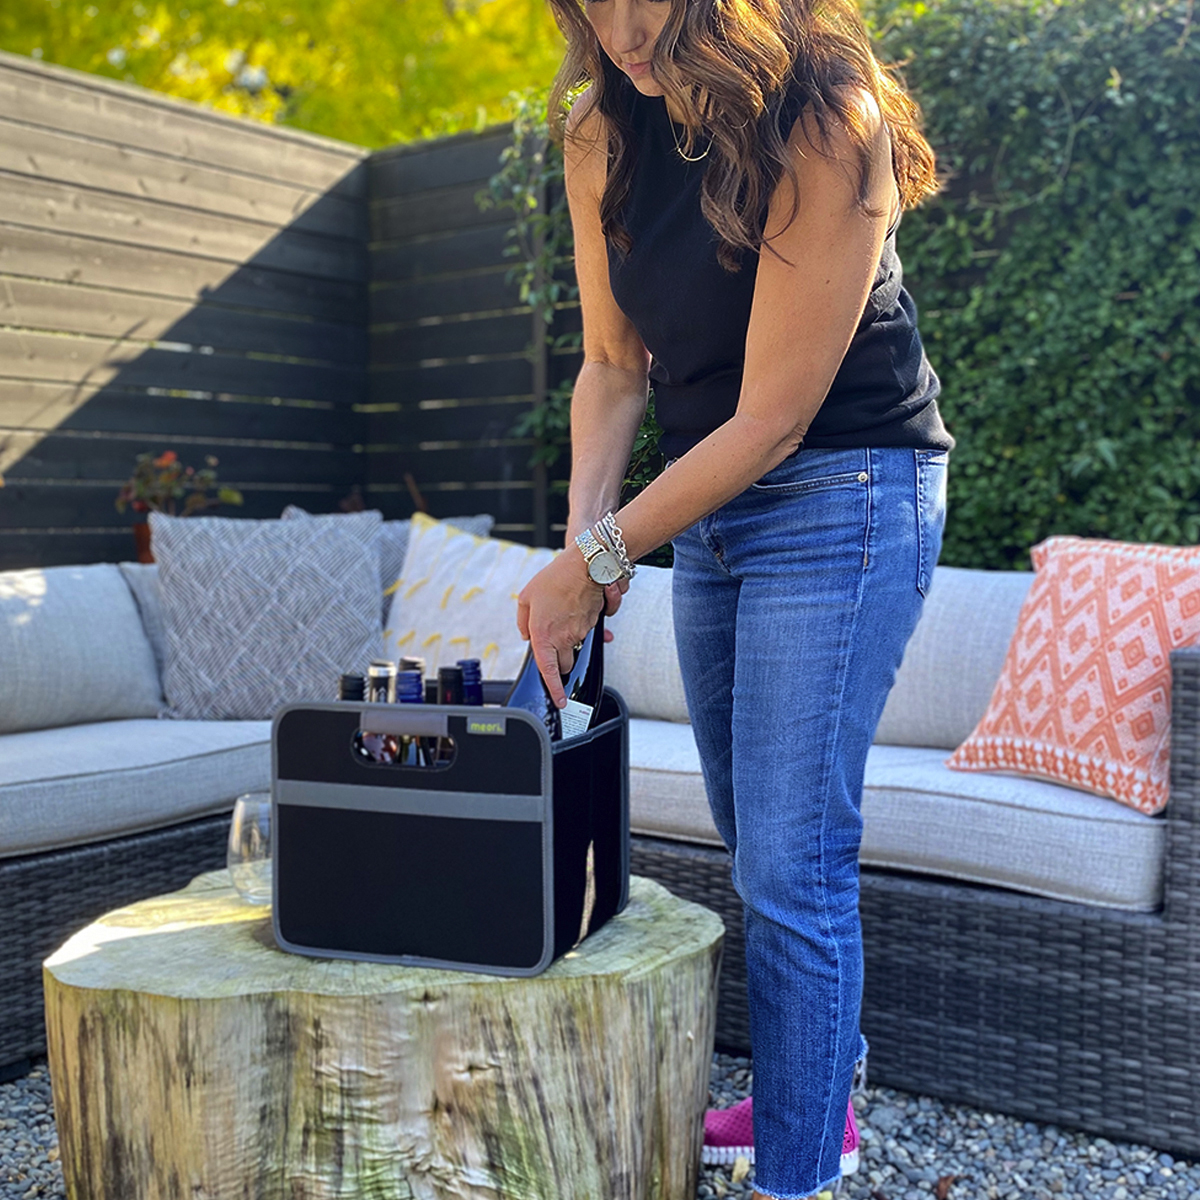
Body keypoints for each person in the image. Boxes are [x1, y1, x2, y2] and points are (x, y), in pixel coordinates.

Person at [515, 0, 953, 1190]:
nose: (619, 27)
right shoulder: (596, 133)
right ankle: (827, 1091)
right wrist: (580, 558)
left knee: (792, 861)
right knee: (758, 827)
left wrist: (601, 559)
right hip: (710, 502)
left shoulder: (825, 111)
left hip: (847, 487)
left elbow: (776, 416)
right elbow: (613, 369)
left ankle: (798, 1167)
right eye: (585, 2)